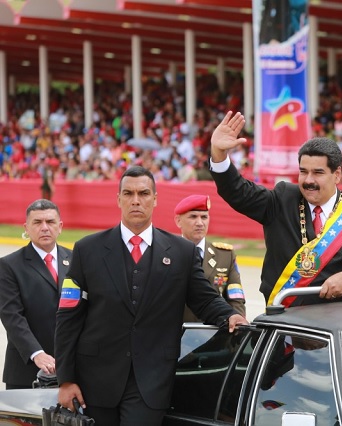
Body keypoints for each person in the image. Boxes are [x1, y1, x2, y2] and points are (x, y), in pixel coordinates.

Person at [55, 166, 248, 425]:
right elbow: (69, 317)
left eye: (144, 193)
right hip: (95, 381)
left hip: (152, 381)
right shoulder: (87, 250)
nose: (136, 200)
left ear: (155, 199)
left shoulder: (182, 252)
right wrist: (65, 380)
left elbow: (205, 299)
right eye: (129, 193)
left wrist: (230, 315)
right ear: (118, 199)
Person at [208, 111, 342, 306]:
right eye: (303, 172)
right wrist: (219, 154)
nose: (309, 180)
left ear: (337, 174)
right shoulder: (283, 198)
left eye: (318, 173)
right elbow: (238, 192)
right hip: (285, 322)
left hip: (339, 324)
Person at [0, 199, 72, 389]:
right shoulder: (9, 266)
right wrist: (36, 353)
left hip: (71, 368)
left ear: (60, 226)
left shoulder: (76, 260)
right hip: (27, 370)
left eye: (50, 222)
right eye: (37, 222)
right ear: (27, 227)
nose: (45, 228)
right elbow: (12, 317)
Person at [174, 194, 246, 318]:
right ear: (178, 221)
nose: (200, 223)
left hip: (212, 332)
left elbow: (235, 299)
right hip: (176, 332)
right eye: (193, 217)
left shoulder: (225, 255)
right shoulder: (168, 253)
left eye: (204, 217)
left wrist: (237, 328)